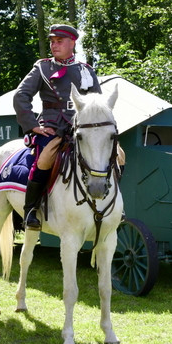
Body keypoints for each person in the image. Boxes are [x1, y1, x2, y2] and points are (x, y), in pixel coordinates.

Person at [12, 23, 101, 230]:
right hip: (53, 127)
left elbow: (97, 103)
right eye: (52, 41)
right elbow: (21, 96)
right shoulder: (42, 67)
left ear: (72, 42)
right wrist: (33, 125)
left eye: (59, 41)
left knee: (118, 154)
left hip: (81, 128)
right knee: (44, 159)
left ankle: (111, 204)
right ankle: (31, 210)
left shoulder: (86, 70)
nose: (54, 45)